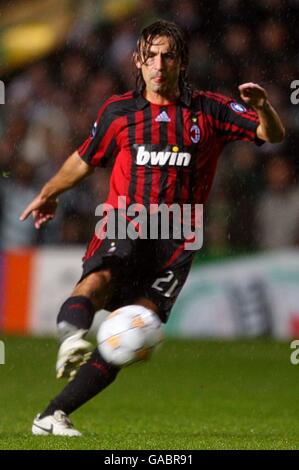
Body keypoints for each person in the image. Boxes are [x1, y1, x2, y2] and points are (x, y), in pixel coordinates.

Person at [20, 20, 285, 436]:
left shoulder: (208, 110)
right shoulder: (119, 112)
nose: (159, 65)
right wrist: (49, 192)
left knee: (133, 334)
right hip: (127, 219)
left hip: (177, 239)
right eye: (151, 57)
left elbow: (271, 134)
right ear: (138, 62)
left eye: (168, 56)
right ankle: (70, 338)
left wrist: (264, 106)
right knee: (100, 279)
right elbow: (85, 157)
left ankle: (51, 416)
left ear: (181, 63)